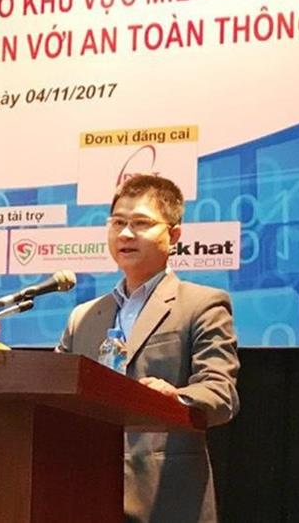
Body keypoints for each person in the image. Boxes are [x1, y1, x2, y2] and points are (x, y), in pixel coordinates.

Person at [56, 174, 240, 523]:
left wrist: (174, 399)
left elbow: (220, 393)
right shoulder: (83, 317)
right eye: (117, 223)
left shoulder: (202, 304)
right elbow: (55, 396)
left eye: (141, 223)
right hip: (84, 490)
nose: (125, 234)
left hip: (166, 497)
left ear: (174, 235)